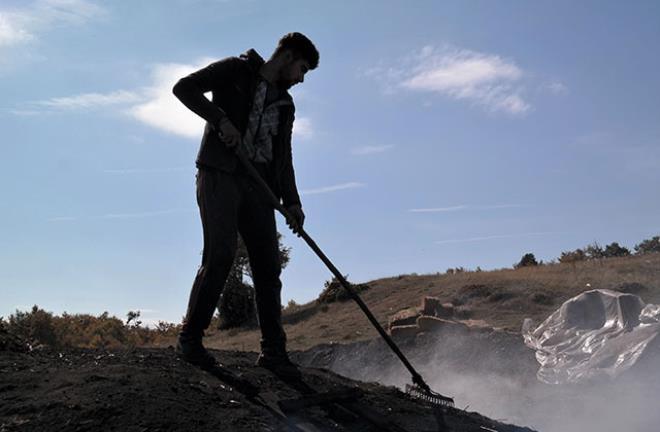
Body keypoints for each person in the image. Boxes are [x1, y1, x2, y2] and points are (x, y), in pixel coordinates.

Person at [172, 32, 319, 375]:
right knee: (220, 254)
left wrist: (293, 203)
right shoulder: (234, 70)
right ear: (287, 56)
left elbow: (283, 157)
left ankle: (274, 354)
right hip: (219, 174)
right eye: (302, 69)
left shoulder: (286, 105)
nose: (300, 78)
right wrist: (220, 119)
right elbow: (183, 88)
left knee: (268, 266)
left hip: (258, 187)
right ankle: (190, 341)